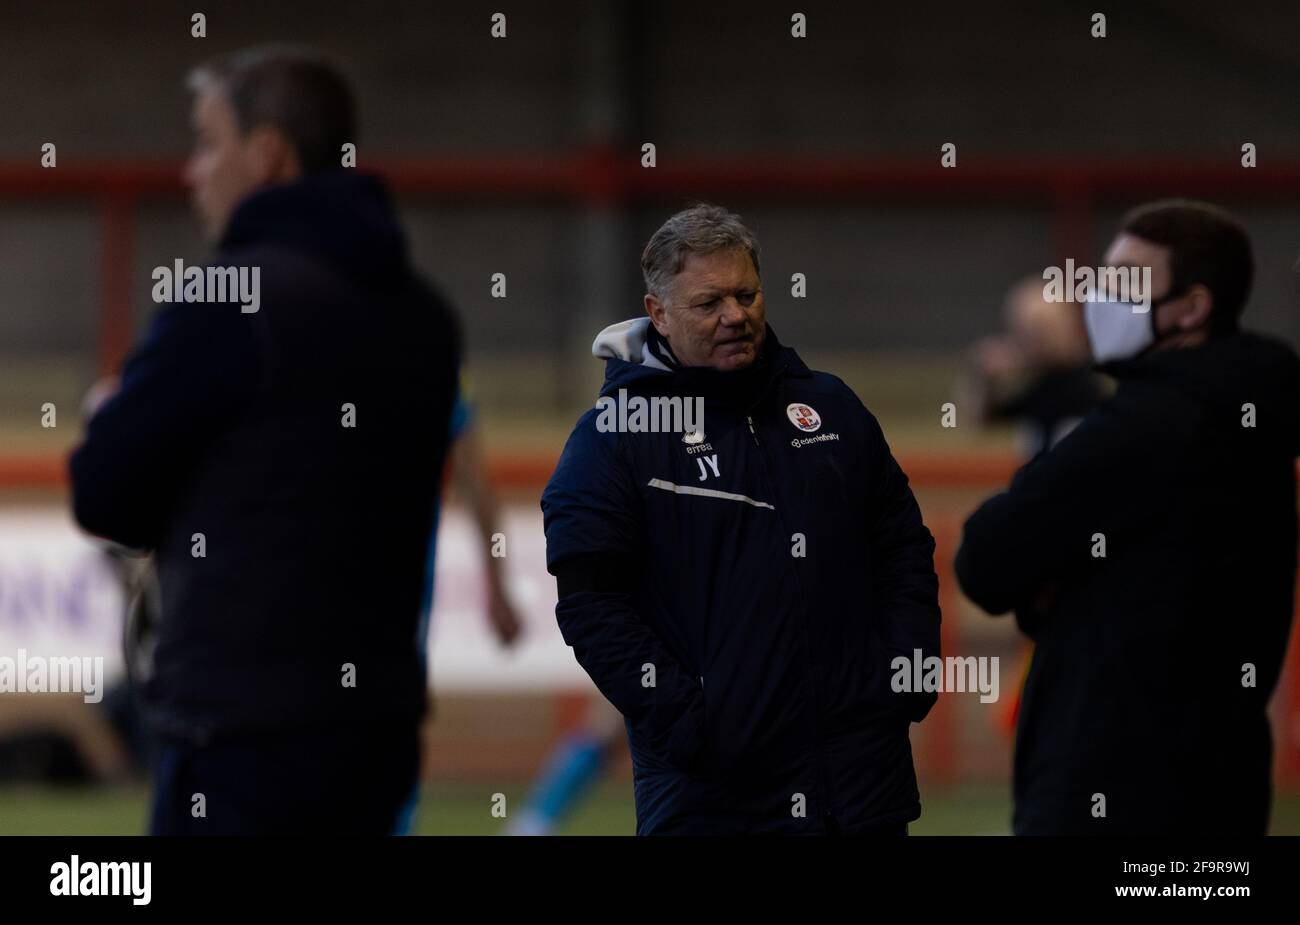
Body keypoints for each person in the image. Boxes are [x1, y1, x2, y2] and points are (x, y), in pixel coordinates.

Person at [68, 45, 460, 835]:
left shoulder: (231, 296)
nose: (192, 171)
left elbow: (107, 490)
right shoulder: (424, 317)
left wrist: (111, 415)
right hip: (377, 730)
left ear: (269, 154)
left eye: (208, 142)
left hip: (240, 737)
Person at [541, 203, 941, 835]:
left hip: (861, 788)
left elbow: (902, 547)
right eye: (709, 303)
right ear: (658, 314)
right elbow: (591, 604)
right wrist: (689, 723)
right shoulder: (612, 438)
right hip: (714, 801)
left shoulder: (830, 406)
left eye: (747, 295)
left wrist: (906, 668)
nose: (735, 315)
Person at [955, 200, 1300, 835]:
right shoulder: (1257, 417)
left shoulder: (1144, 424)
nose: (1101, 300)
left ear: (1191, 307)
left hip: (1109, 785)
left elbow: (984, 557)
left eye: (1125, 284)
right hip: (1224, 784)